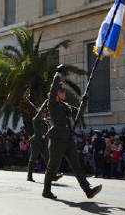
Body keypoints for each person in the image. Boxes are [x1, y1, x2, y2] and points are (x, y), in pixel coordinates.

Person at [42, 64, 102, 200]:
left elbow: (77, 116)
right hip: (57, 138)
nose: (64, 94)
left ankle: (88, 190)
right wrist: (57, 74)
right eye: (62, 92)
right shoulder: (52, 104)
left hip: (68, 138)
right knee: (52, 167)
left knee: (76, 165)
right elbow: (52, 89)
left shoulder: (64, 106)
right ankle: (46, 191)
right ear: (57, 93)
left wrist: (84, 103)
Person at [27, 100, 63, 182]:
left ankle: (53, 176)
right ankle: (29, 176)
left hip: (43, 142)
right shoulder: (35, 120)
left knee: (48, 159)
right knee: (33, 158)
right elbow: (38, 115)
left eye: (45, 113)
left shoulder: (45, 122)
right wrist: (45, 102)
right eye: (43, 113)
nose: (44, 114)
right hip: (36, 141)